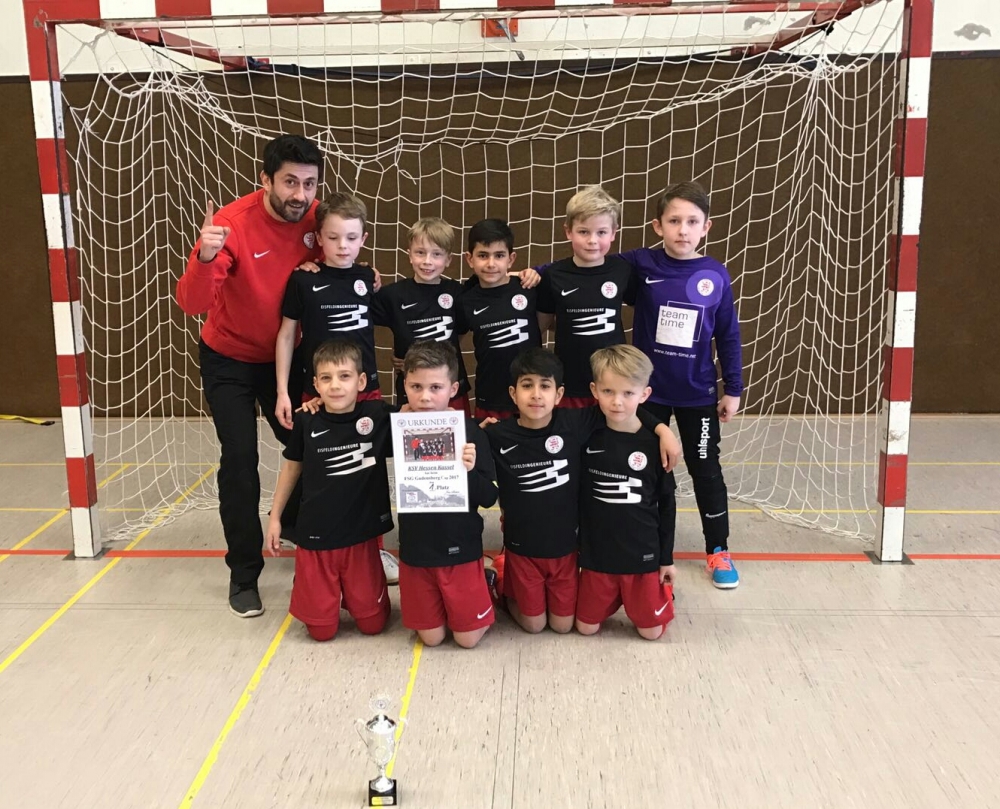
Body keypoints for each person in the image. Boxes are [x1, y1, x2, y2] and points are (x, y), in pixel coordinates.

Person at [176, 134, 323, 618]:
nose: (299, 194)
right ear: (265, 180)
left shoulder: (318, 219)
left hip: (289, 358)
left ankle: (305, 528)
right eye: (289, 182)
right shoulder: (231, 224)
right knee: (239, 460)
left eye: (308, 184)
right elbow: (192, 303)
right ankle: (243, 573)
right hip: (231, 359)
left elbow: (340, 262)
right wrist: (203, 256)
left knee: (313, 443)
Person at [484, 347, 680, 634]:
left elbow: (625, 406)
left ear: (559, 394)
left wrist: (663, 429)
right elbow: (466, 436)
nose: (536, 395)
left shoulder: (575, 423)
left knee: (564, 626)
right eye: (527, 386)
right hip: (523, 547)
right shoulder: (495, 434)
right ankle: (501, 581)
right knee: (535, 626)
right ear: (513, 393)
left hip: (567, 550)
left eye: (545, 386)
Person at [271, 191, 398, 586]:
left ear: (363, 239)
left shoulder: (366, 279)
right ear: (318, 239)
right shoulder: (303, 279)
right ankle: (315, 544)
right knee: (321, 470)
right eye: (333, 237)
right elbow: (286, 335)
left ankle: (372, 549)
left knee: (366, 470)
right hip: (320, 394)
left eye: (351, 238)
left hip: (366, 392)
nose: (342, 246)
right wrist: (283, 391)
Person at [620, 181, 742, 589]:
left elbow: (728, 335)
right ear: (658, 226)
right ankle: (650, 550)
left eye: (692, 222)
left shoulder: (715, 274)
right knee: (650, 471)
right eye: (674, 221)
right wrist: (536, 274)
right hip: (648, 394)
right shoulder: (641, 264)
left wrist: (733, 388)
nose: (683, 230)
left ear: (706, 227)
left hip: (697, 394)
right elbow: (591, 266)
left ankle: (718, 550)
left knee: (706, 470)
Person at [264, 339, 393, 641]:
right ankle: (315, 590)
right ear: (316, 385)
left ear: (361, 381)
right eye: (326, 378)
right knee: (321, 632)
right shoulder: (306, 420)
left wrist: (474, 430)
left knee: (373, 626)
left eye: (344, 376)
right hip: (317, 537)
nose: (335, 385)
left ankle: (355, 595)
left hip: (361, 538)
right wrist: (275, 518)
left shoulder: (377, 415)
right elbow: (291, 468)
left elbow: (420, 413)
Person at [396, 341, 498, 649]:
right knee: (432, 638)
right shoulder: (396, 427)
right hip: (416, 549)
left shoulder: (471, 432)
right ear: (404, 385)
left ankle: (488, 581)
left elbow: (489, 498)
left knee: (467, 639)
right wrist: (315, 404)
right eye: (416, 386)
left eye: (436, 387)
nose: (425, 397)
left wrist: (468, 470)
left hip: (460, 546)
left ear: (453, 388)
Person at [575, 345, 677, 640]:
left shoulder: (655, 445)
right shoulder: (584, 431)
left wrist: (666, 559)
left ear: (644, 394)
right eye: (608, 391)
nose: (617, 402)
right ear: (594, 390)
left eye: (628, 393)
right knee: (586, 628)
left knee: (651, 633)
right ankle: (616, 597)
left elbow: (667, 505)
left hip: (641, 555)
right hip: (597, 555)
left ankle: (655, 595)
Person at [535, 186, 635, 408]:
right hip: (569, 381)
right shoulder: (554, 275)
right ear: (568, 231)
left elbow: (645, 309)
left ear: (614, 232)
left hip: (613, 381)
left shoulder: (623, 271)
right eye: (583, 232)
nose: (592, 240)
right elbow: (540, 326)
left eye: (601, 232)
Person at [369, 217, 472, 414]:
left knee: (456, 434)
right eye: (420, 252)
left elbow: (459, 332)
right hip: (413, 392)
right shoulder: (393, 295)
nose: (427, 261)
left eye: (436, 254)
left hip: (451, 389)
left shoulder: (458, 293)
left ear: (448, 259)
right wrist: (364, 273)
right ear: (409, 254)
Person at [457, 219, 542, 421]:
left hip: (533, 395)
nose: (491, 264)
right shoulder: (465, 300)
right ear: (469, 259)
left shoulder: (528, 288)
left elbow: (549, 324)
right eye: (483, 255)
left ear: (511, 259)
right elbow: (452, 343)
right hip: (491, 397)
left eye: (499, 255)